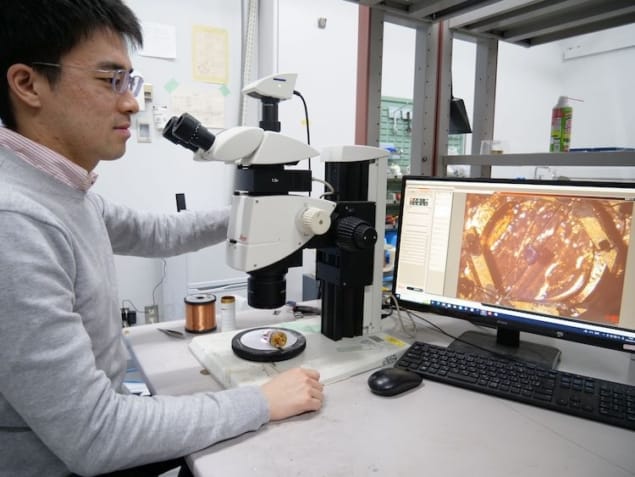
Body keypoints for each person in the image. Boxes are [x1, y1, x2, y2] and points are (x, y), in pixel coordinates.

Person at [0, 1, 324, 476]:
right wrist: (258, 402)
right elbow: (96, 434)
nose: (131, 102)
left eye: (128, 82)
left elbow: (156, 232)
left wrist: (261, 212)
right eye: (109, 80)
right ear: (28, 84)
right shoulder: (16, 220)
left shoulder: (59, 188)